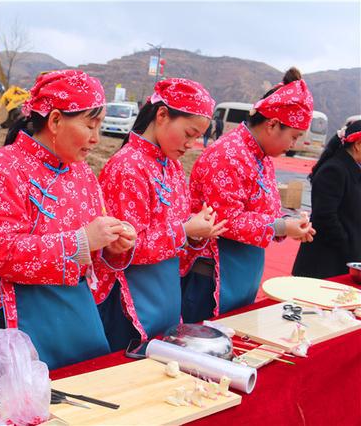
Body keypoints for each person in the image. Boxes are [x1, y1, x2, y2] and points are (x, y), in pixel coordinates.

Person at [0, 70, 137, 394]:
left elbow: (92, 249)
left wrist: (112, 245)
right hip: (14, 321)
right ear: (55, 121)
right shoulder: (3, 168)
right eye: (89, 125)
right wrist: (82, 241)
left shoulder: (82, 173)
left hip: (76, 317)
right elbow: (1, 253)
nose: (97, 138)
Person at [94, 78, 226, 350]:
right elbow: (124, 248)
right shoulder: (127, 166)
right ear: (162, 115)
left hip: (164, 294)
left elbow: (175, 237)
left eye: (198, 137)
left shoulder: (173, 167)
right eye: (189, 134)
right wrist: (185, 231)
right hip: (129, 302)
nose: (192, 144)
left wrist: (197, 232)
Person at [181, 68, 316, 323]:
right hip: (213, 274)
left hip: (242, 267)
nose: (294, 145)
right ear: (273, 125)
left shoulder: (260, 156)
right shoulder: (227, 155)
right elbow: (224, 221)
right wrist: (281, 225)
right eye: (294, 136)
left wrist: (289, 223)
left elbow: (265, 208)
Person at [292, 120, 361, 278]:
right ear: (358, 144)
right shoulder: (334, 170)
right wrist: (350, 248)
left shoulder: (353, 169)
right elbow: (326, 217)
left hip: (344, 258)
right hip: (325, 262)